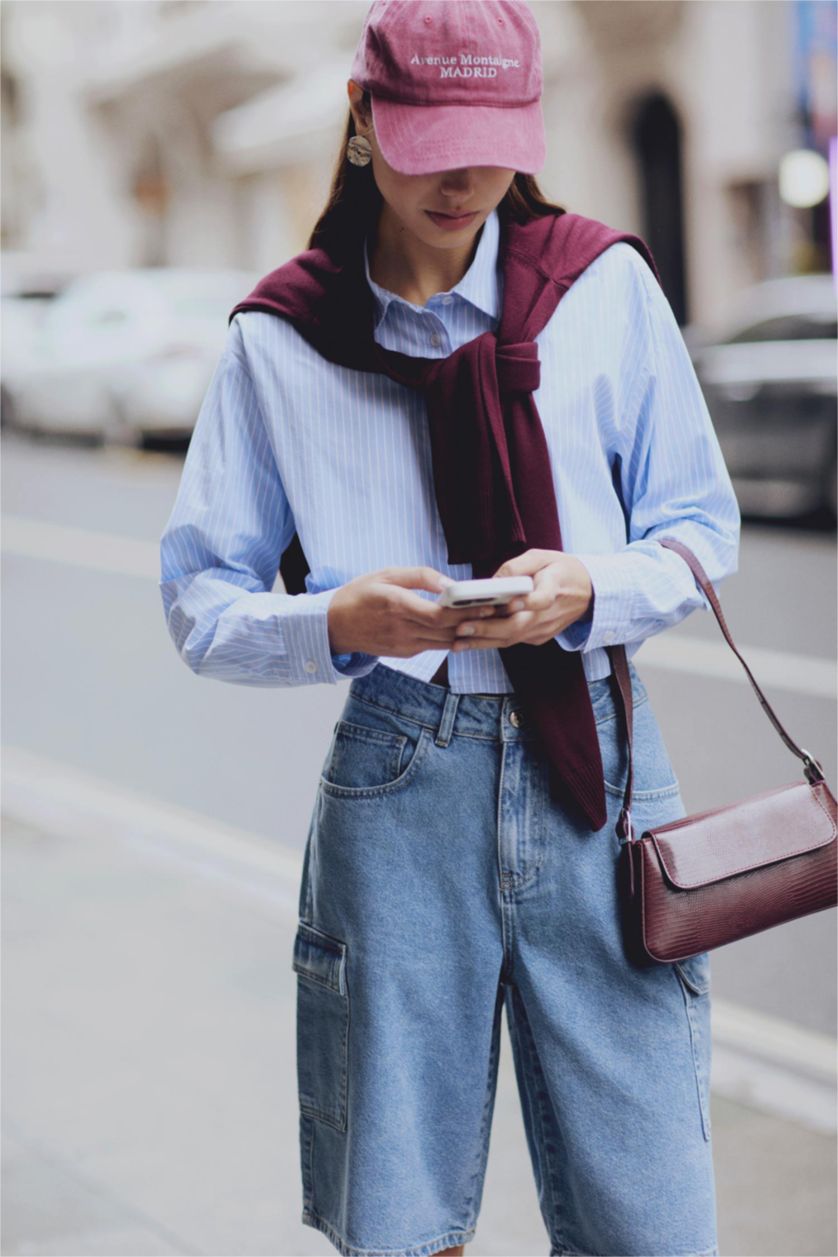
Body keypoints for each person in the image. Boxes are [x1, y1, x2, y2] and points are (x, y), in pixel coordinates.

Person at [159, 2, 740, 1254]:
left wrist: (589, 588)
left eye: (493, 138)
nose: (467, 174)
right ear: (366, 122)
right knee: (399, 1215)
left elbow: (698, 523)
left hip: (600, 761)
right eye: (432, 137)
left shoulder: (603, 288)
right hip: (399, 769)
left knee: (654, 1219)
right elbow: (201, 602)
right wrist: (338, 620)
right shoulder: (280, 338)